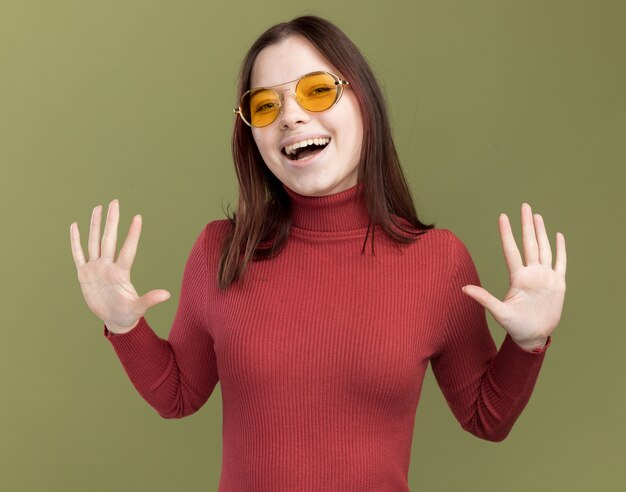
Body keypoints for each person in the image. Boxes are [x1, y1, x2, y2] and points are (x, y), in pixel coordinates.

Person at [69, 15, 567, 491]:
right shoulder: (222, 250)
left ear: (363, 102)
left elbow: (486, 418)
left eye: (317, 90)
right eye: (265, 106)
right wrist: (123, 326)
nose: (291, 116)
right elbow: (178, 395)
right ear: (253, 135)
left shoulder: (437, 261)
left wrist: (528, 345)